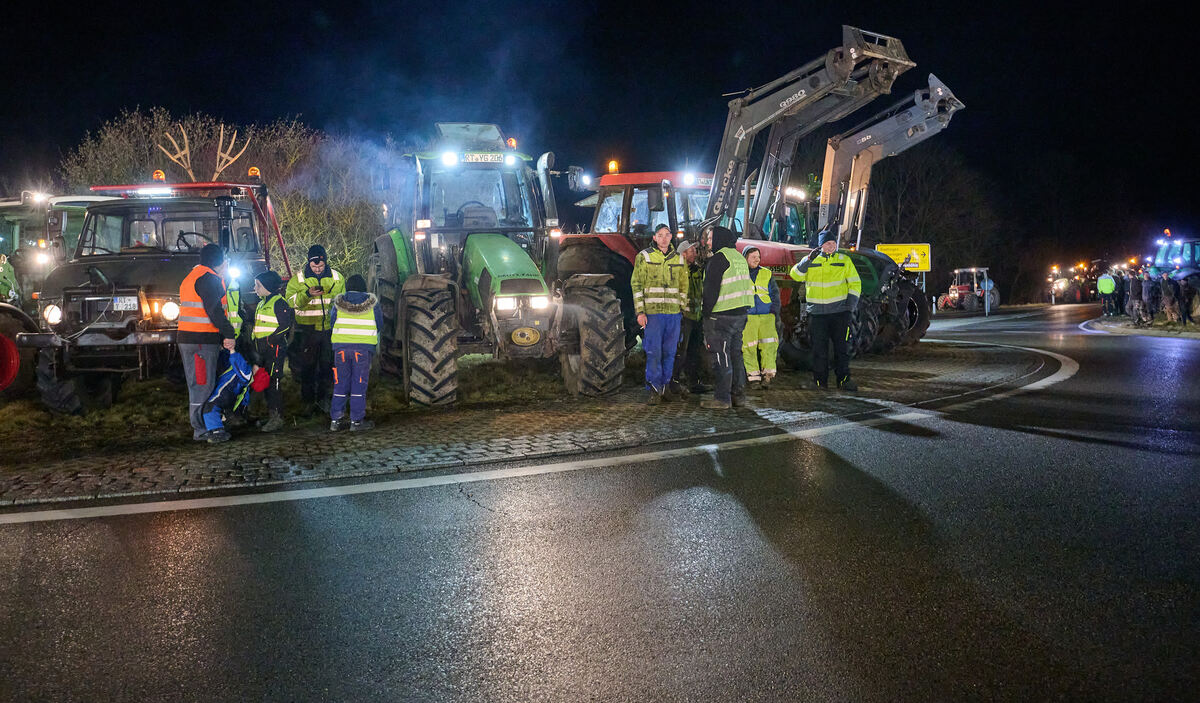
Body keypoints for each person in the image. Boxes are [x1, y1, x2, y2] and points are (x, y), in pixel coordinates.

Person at [178, 243, 237, 441]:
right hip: (201, 341)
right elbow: (214, 311)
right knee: (202, 385)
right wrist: (229, 333)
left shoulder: (193, 276)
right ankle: (203, 429)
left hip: (193, 339)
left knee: (200, 384)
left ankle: (206, 425)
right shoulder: (208, 278)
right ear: (220, 261)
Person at [789, 230, 862, 391]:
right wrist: (807, 260)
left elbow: (855, 284)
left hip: (840, 314)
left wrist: (850, 306)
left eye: (833, 243)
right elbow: (795, 275)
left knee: (841, 349)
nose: (831, 246)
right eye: (828, 243)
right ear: (821, 245)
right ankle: (819, 382)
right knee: (818, 351)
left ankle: (843, 381)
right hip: (817, 315)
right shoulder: (810, 260)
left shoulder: (844, 260)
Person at [630, 223, 688, 404]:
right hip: (653, 314)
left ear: (671, 237)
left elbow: (683, 285)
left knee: (670, 352)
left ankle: (666, 387)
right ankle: (654, 389)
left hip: (673, 314)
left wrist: (682, 308)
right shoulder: (644, 257)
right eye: (660, 235)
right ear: (654, 238)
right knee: (654, 351)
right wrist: (640, 311)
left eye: (667, 234)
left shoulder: (678, 258)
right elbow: (637, 284)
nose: (664, 238)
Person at [286, 245, 345, 415]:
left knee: (327, 366)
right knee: (308, 368)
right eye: (314, 267)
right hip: (307, 331)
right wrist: (307, 294)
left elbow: (343, 301)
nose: (318, 269)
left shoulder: (337, 278)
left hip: (328, 330)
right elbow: (290, 302)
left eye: (320, 266)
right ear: (309, 263)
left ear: (325, 262)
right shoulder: (297, 280)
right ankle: (308, 402)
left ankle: (324, 399)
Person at [700, 226, 753, 410]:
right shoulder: (739, 258)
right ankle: (739, 396)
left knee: (721, 357)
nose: (707, 242)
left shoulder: (719, 259)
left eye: (710, 238)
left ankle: (722, 399)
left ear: (719, 239)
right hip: (740, 315)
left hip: (722, 316)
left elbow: (710, 291)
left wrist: (705, 314)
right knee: (736, 355)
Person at [329, 274, 381, 431]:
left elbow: (332, 323)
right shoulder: (373, 305)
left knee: (340, 384)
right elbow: (379, 324)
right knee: (358, 385)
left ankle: (335, 421)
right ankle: (356, 422)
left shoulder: (338, 304)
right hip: (362, 350)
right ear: (364, 288)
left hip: (341, 350)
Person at [250, 270, 293, 432]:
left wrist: (270, 340)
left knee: (274, 382)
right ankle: (270, 414)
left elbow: (285, 326)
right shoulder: (262, 302)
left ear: (267, 286)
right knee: (265, 381)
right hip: (262, 349)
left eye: (258, 285)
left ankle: (277, 417)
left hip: (273, 349)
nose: (254, 288)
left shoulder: (278, 303)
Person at [199, 351, 264, 443]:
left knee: (210, 407)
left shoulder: (246, 371)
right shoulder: (246, 374)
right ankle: (221, 426)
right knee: (218, 409)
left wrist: (233, 351)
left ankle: (217, 431)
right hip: (230, 395)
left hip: (226, 393)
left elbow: (239, 364)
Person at [672, 240, 708, 395]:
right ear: (684, 253)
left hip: (696, 316)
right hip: (684, 316)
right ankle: (675, 381)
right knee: (682, 351)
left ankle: (694, 382)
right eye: (692, 251)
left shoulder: (697, 271)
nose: (695, 253)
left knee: (695, 350)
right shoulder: (678, 270)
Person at [741, 246, 780, 390]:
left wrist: (774, 311)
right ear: (745, 258)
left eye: (758, 257)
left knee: (769, 346)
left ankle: (768, 376)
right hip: (749, 317)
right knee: (748, 347)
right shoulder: (740, 274)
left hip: (766, 316)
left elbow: (775, 294)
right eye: (753, 257)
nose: (757, 260)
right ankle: (754, 379)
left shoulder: (767, 273)